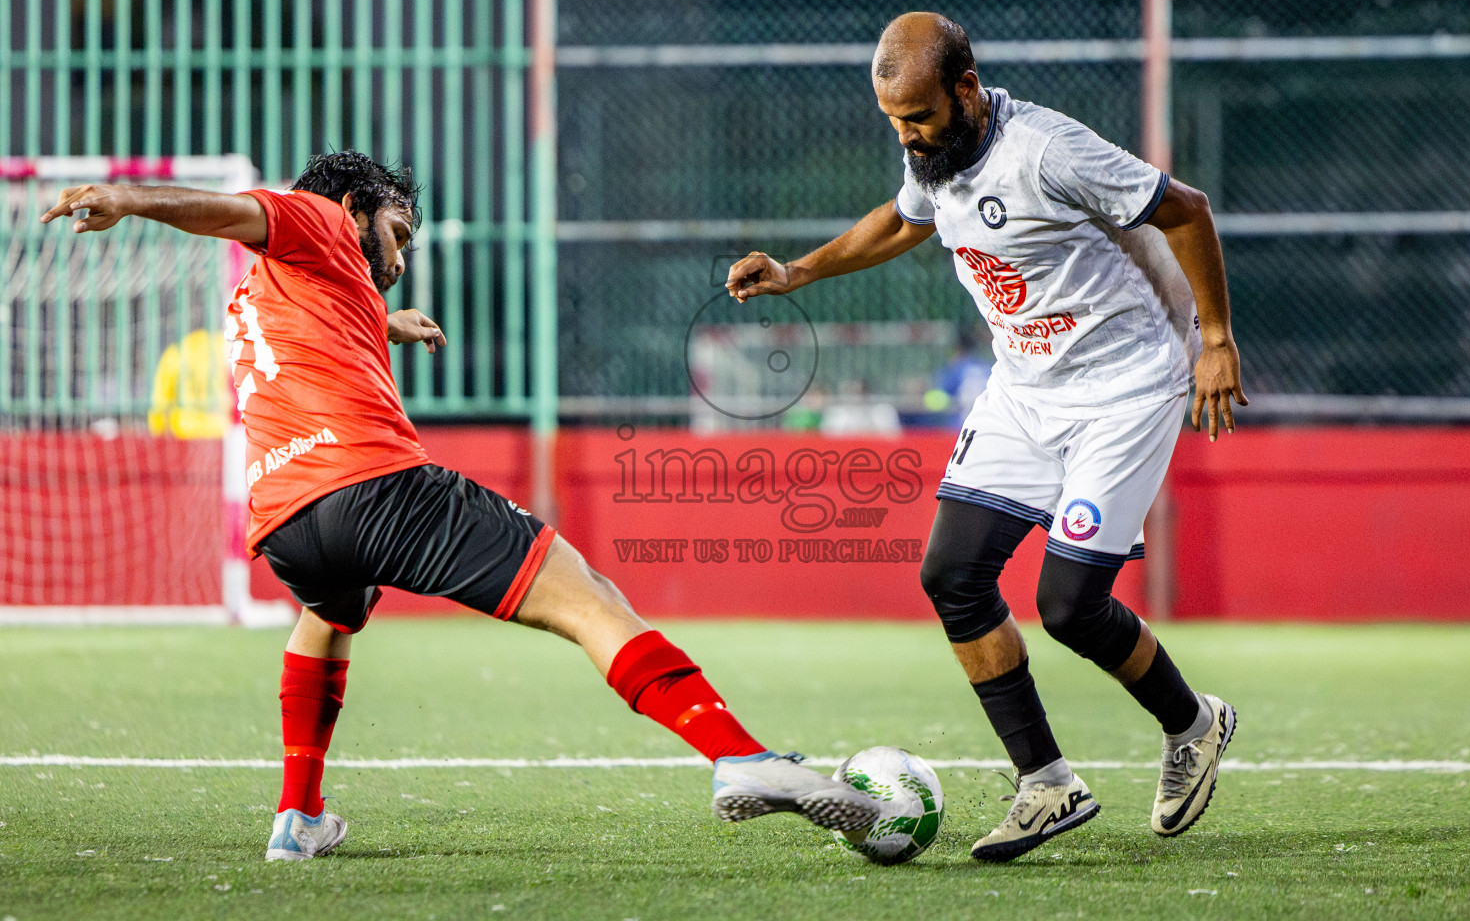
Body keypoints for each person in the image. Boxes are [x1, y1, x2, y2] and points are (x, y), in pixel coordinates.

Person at [41, 151, 877, 862]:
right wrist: (129, 199)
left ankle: (297, 817)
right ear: (353, 209)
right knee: (587, 596)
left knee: (328, 617)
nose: (401, 257)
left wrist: (386, 323)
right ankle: (740, 757)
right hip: (375, 488)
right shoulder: (316, 217)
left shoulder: (262, 293)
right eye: (398, 232)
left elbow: (323, 320)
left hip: (289, 526)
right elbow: (236, 212)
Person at [728, 13, 1247, 862]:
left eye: (919, 117)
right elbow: (904, 221)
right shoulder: (935, 150)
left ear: (966, 89)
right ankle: (1047, 783)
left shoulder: (1047, 151)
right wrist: (797, 271)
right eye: (894, 122)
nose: (907, 136)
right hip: (1024, 388)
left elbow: (1186, 210)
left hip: (1123, 389)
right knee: (953, 577)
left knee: (1070, 607)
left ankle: (1193, 724)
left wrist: (1217, 342)